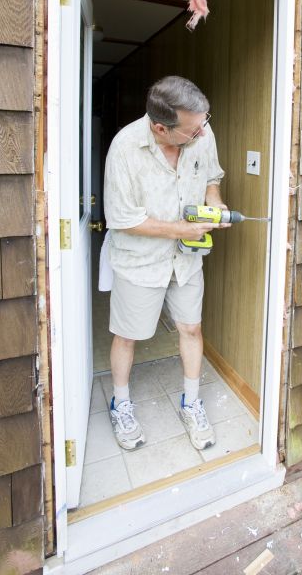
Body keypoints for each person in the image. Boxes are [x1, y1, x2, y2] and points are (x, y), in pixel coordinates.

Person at [103, 75, 229, 452]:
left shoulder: (201, 131)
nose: (203, 134)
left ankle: (191, 403)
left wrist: (215, 201)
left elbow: (212, 177)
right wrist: (181, 230)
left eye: (205, 122)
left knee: (191, 328)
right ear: (161, 127)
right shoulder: (125, 148)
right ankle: (120, 404)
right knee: (127, 335)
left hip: (186, 262)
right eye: (193, 130)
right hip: (139, 262)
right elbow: (124, 218)